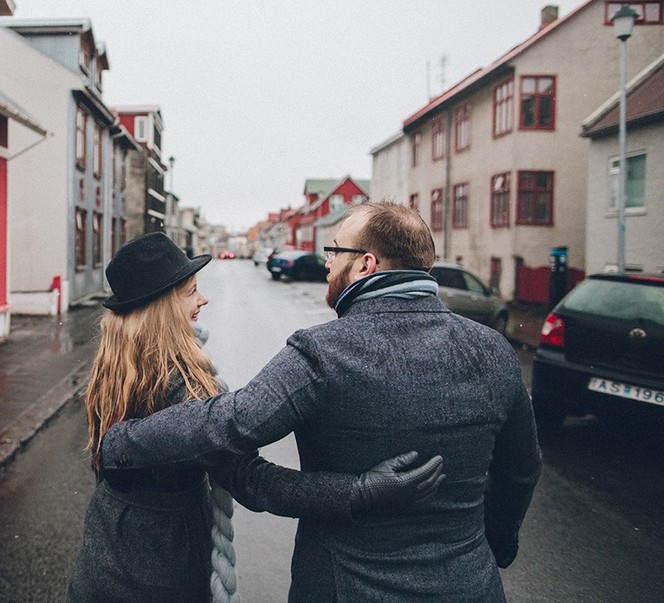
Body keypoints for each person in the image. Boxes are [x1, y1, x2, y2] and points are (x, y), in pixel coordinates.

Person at [100, 205, 542, 602]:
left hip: (343, 585)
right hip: (468, 583)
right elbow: (521, 469)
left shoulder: (322, 353)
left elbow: (233, 423)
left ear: (366, 264)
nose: (327, 263)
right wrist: (494, 546)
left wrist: (122, 442)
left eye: (334, 251)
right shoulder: (494, 351)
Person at [67, 231, 445, 603]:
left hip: (103, 549)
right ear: (161, 308)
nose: (204, 298)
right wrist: (356, 492)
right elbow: (252, 480)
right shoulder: (185, 384)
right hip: (161, 566)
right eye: (190, 291)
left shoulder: (114, 366)